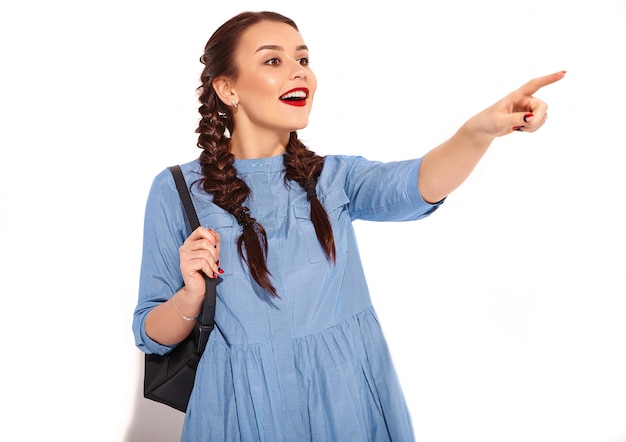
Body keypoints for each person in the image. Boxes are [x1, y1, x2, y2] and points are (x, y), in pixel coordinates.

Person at [132, 10, 565, 441]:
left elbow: (416, 184)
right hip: (241, 407)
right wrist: (190, 294)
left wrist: (479, 131)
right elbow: (150, 333)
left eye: (303, 60)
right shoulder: (177, 190)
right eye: (272, 61)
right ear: (228, 88)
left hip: (344, 397)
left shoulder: (333, 178)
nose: (298, 73)